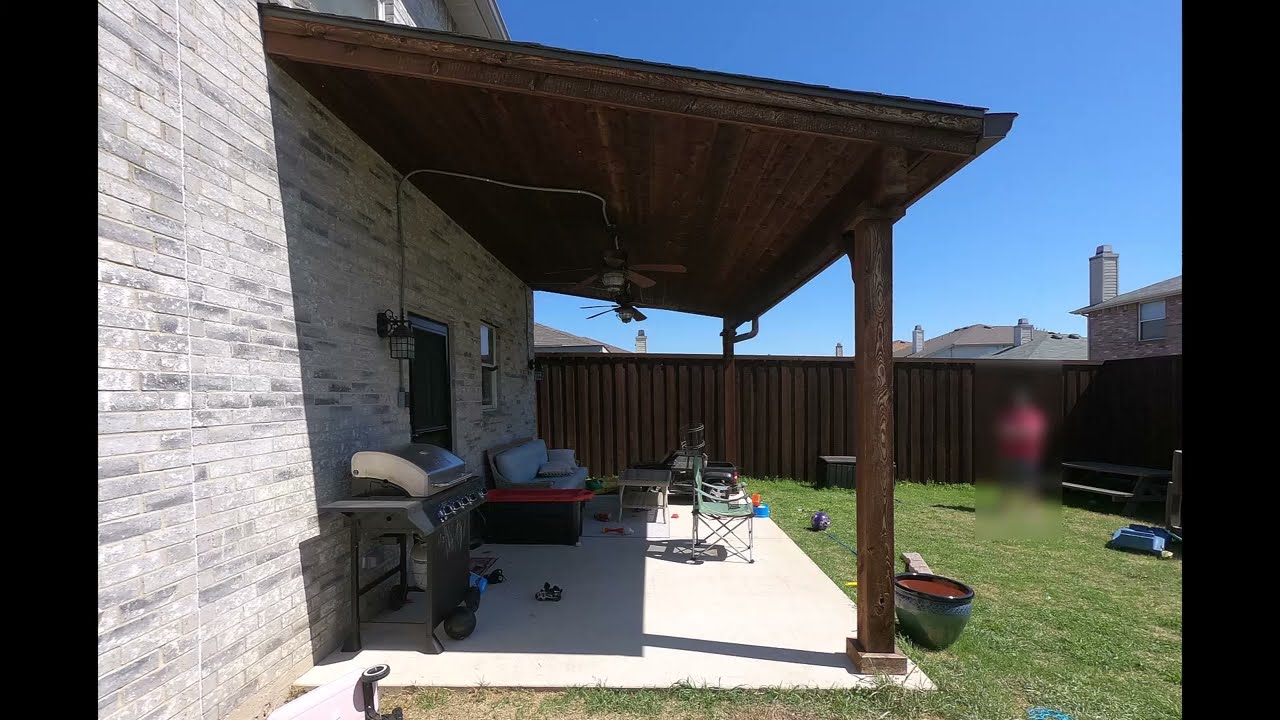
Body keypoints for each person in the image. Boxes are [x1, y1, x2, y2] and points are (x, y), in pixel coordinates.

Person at [996, 388, 1048, 498]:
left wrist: (1016, 433)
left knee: (1029, 482)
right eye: (1016, 401)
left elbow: (1035, 432)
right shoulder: (1008, 415)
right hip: (1009, 454)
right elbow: (1003, 431)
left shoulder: (1034, 415)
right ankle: (1004, 506)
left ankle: (1031, 507)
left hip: (1028, 454)